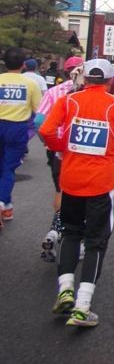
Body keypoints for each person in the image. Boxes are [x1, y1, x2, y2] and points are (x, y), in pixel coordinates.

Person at [39, 58, 114, 327]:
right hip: (101, 183)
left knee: (71, 233)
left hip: (71, 180)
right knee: (96, 241)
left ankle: (65, 289)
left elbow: (45, 129)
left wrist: (64, 145)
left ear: (84, 78)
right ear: (108, 81)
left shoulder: (69, 101)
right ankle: (83, 306)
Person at [34, 55, 84, 259]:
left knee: (61, 191)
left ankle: (54, 231)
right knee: (83, 199)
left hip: (59, 152)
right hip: (81, 153)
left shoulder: (55, 92)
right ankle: (77, 240)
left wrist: (50, 143)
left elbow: (39, 121)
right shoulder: (84, 95)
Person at [0, 47, 43, 228]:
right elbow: (38, 111)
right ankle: (2, 202)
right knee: (9, 168)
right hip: (17, 128)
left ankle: (7, 206)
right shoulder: (30, 84)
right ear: (23, 65)